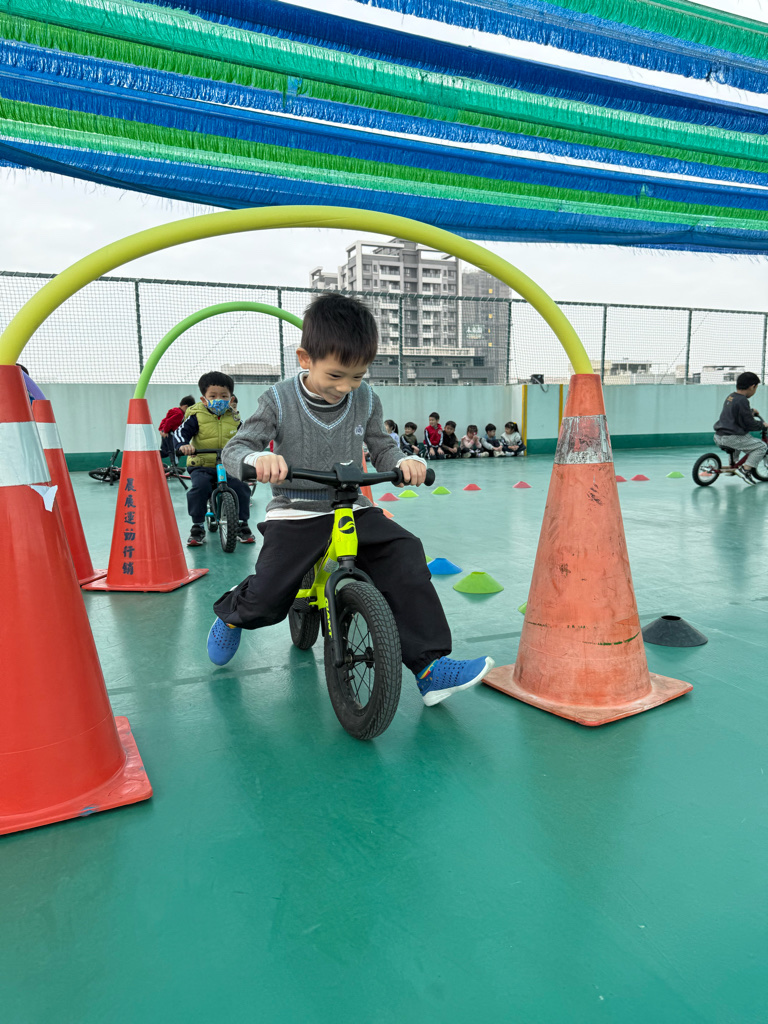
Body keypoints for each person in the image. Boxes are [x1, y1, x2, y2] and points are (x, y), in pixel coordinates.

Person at [206, 292, 493, 706]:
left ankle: (430, 669)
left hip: (349, 504)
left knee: (404, 552)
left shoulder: (365, 398)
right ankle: (234, 611)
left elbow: (382, 447)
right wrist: (256, 458)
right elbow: (237, 448)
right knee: (268, 599)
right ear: (305, 359)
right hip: (296, 510)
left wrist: (405, 461)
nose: (345, 388)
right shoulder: (278, 400)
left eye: (357, 376)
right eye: (336, 375)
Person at [176, 373, 255, 544]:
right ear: (204, 399)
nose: (218, 400)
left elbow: (245, 437)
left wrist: (249, 449)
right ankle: (197, 525)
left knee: (241, 487)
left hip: (228, 463)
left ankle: (242, 523)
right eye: (213, 396)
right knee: (200, 487)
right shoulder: (196, 416)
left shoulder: (234, 418)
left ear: (231, 398)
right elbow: (181, 432)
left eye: (224, 396)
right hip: (202, 463)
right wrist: (183, 445)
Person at [713, 371, 767, 484]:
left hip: (719, 436)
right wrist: (762, 425)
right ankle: (745, 470)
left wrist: (751, 411)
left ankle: (733, 466)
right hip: (731, 437)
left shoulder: (731, 397)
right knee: (761, 446)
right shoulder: (743, 400)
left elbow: (737, 412)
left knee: (740, 441)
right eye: (756, 388)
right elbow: (749, 424)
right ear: (752, 387)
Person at [159, 395, 195, 461]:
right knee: (174, 450)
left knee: (165, 451)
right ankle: (174, 464)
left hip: (166, 433)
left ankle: (153, 455)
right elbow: (169, 422)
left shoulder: (175, 411)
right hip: (170, 434)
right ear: (186, 407)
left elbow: (164, 420)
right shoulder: (180, 414)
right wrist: (165, 431)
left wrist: (162, 429)